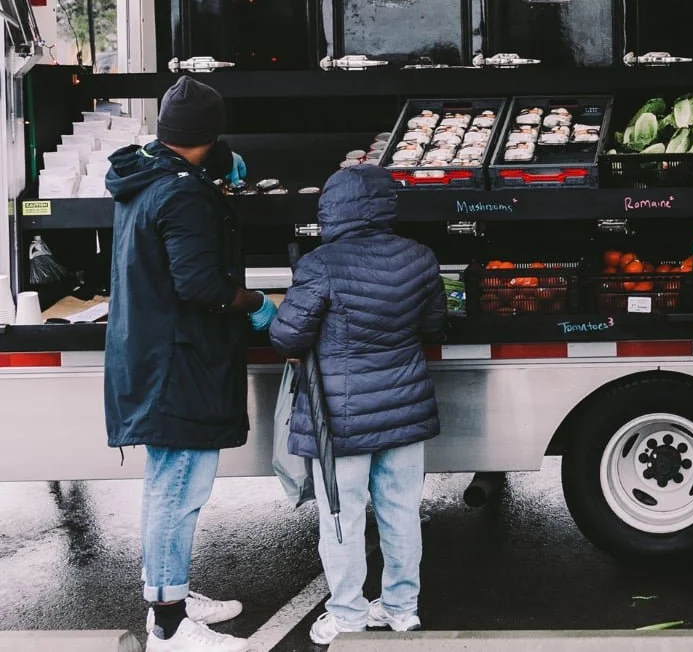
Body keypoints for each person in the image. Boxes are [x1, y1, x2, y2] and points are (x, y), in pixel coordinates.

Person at [104, 76, 276, 652]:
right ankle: (170, 625)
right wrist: (255, 304)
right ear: (209, 134)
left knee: (165, 485)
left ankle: (168, 591)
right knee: (178, 489)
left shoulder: (149, 178)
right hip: (180, 364)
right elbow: (201, 284)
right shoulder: (183, 193)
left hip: (156, 355)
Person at [269, 164, 447, 645]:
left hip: (340, 418)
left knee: (342, 517)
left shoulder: (320, 264)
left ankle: (347, 615)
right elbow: (434, 327)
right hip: (405, 410)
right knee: (401, 512)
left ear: (332, 209)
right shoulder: (421, 258)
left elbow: (286, 336)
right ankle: (401, 609)